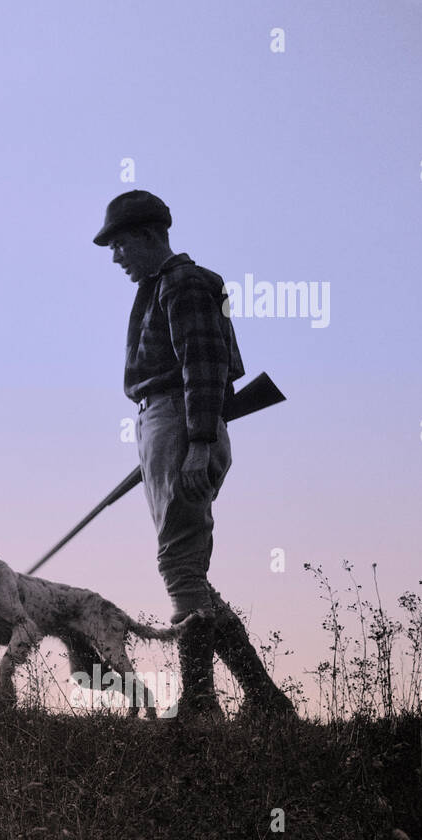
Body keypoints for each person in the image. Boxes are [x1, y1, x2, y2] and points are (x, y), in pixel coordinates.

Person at [93, 191, 295, 721]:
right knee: (189, 572)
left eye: (119, 245)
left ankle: (201, 705)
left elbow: (203, 365)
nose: (116, 257)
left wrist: (197, 441)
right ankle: (266, 701)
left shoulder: (184, 282)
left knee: (179, 566)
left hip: (180, 418)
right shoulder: (170, 286)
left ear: (145, 234)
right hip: (169, 421)